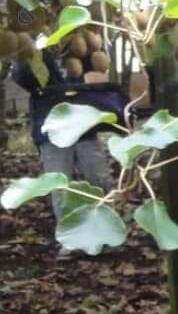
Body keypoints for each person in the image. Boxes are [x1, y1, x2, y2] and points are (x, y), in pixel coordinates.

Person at [13, 49, 125, 245]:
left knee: (99, 177)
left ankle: (107, 233)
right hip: (51, 130)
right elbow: (21, 77)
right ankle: (69, 240)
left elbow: (97, 66)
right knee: (60, 185)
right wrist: (25, 51)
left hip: (83, 127)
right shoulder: (37, 55)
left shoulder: (78, 49)